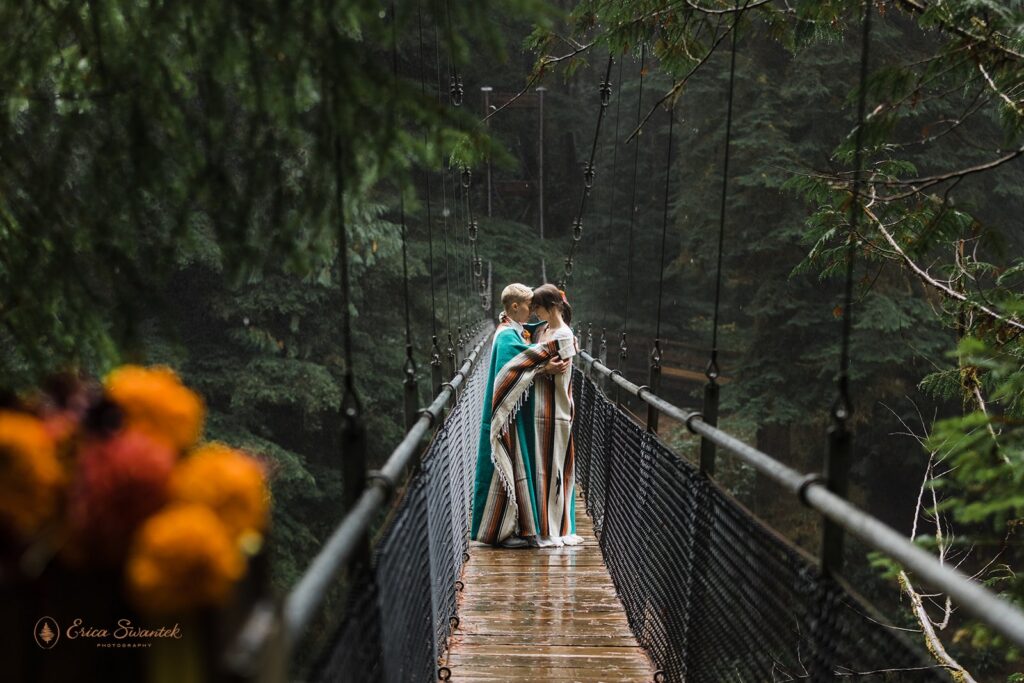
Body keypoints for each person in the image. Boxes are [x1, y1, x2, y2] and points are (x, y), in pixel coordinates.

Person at [470, 283, 570, 548]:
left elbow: (525, 352)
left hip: (516, 416)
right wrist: (545, 363)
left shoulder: (516, 331)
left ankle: (515, 527)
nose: (533, 313)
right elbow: (514, 366)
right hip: (508, 418)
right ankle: (504, 531)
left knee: (517, 466)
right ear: (515, 307)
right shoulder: (505, 337)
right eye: (529, 307)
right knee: (507, 464)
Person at [529, 284, 583, 547]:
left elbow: (558, 371)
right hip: (540, 409)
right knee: (543, 468)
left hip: (557, 410)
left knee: (555, 469)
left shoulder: (564, 335)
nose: (534, 313)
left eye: (537, 307)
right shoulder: (544, 330)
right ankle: (545, 525)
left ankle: (554, 529)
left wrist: (537, 369)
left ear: (550, 306)